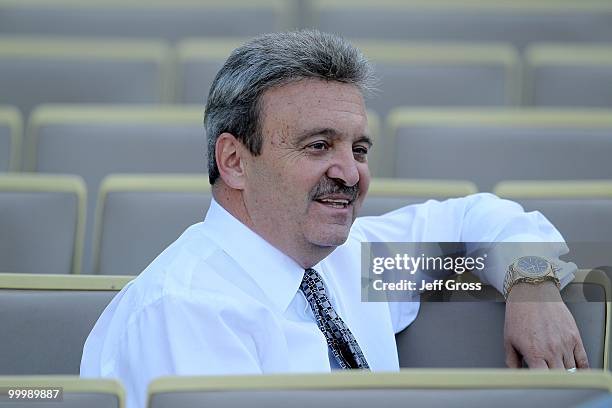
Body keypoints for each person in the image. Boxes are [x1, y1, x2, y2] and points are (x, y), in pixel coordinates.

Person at [81, 30, 588, 408]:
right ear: (235, 161)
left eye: (359, 148)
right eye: (318, 145)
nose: (350, 173)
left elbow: (482, 218)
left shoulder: (358, 264)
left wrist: (533, 282)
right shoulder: (186, 309)